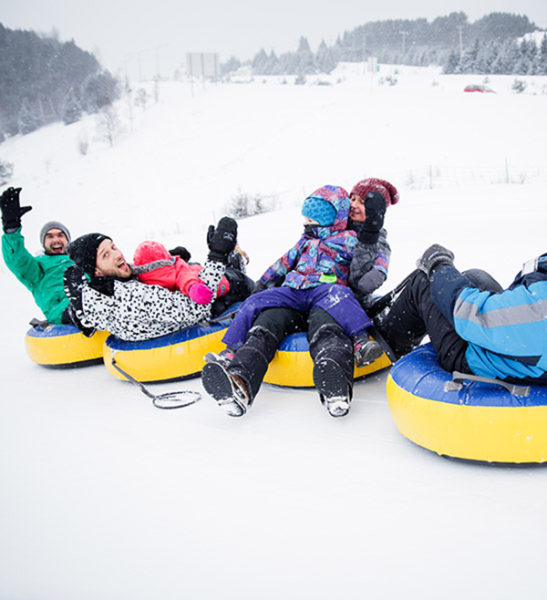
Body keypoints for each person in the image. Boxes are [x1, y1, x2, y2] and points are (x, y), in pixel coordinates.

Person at [202, 185, 389, 418]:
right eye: (306, 219)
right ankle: (235, 368)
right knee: (256, 307)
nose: (306, 223)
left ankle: (346, 366)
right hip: (294, 291)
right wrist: (262, 286)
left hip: (325, 291)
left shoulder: (351, 239)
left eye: (312, 220)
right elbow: (281, 264)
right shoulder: (304, 241)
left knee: (340, 302)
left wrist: (375, 255)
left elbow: (371, 263)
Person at [377, 244, 547, 385]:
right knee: (476, 277)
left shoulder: (540, 309)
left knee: (423, 282)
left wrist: (439, 266)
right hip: (514, 340)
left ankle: (388, 345)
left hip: (473, 356)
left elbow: (471, 315)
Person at [63, 217, 239, 342]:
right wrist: (218, 255)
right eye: (106, 255)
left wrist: (169, 259)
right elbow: (197, 307)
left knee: (192, 267)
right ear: (97, 272)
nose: (117, 255)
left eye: (114, 247)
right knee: (238, 282)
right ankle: (233, 267)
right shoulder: (130, 297)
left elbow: (138, 273)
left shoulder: (100, 294)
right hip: (194, 315)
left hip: (162, 311)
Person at [1, 186, 73, 324]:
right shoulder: (38, 266)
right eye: (50, 236)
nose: (56, 240)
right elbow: (18, 261)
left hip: (92, 300)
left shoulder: (80, 260)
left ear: (67, 240)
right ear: (44, 243)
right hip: (64, 311)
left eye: (60, 235)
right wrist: (11, 228)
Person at [132, 239, 254, 318]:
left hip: (200, 278)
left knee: (200, 265)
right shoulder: (177, 271)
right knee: (239, 278)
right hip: (217, 286)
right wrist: (193, 288)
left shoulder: (140, 278)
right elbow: (185, 278)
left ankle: (233, 257)